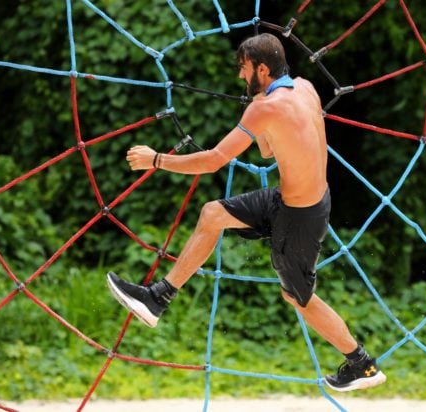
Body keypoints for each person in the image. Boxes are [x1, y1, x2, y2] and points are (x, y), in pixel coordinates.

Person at [106, 33, 386, 392]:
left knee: (298, 298)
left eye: (244, 68)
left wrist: (156, 160)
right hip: (293, 201)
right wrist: (257, 106)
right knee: (213, 214)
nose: (240, 75)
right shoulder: (304, 87)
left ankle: (362, 364)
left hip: (301, 217)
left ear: (262, 69)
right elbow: (270, 150)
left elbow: (213, 161)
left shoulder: (265, 107)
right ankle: (158, 298)